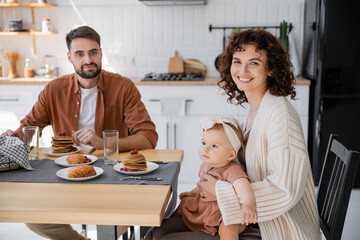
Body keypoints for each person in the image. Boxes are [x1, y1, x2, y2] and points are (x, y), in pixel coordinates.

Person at [1, 26, 158, 240]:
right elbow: (29, 129)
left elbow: (148, 137)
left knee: (113, 223)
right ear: (69, 57)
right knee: (34, 215)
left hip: (113, 176)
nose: (88, 60)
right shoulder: (53, 89)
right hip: (66, 175)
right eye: (80, 54)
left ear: (101, 53)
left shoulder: (123, 87)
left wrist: (103, 142)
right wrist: (13, 137)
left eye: (93, 52)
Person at [196, 29, 321, 240]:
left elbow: (285, 190)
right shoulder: (258, 107)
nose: (242, 70)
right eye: (237, 61)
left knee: (165, 236)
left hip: (280, 228)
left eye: (254, 63)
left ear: (270, 69)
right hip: (258, 218)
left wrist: (220, 191)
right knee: (166, 226)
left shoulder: (279, 115)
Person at [153, 117, 257, 240]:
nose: (206, 148)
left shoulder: (232, 170)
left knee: (227, 228)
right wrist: (193, 192)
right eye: (204, 143)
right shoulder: (206, 165)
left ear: (231, 154)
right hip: (204, 209)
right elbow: (202, 184)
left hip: (223, 213)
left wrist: (249, 204)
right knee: (184, 204)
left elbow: (243, 186)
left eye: (214, 146)